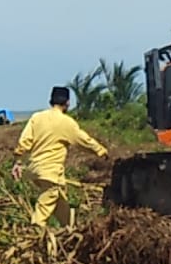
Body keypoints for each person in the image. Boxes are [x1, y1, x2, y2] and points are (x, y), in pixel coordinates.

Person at [12, 86, 107, 228]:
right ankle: (36, 228)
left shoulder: (36, 118)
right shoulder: (66, 122)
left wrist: (17, 162)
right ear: (68, 102)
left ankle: (70, 229)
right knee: (48, 199)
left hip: (34, 170)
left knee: (60, 202)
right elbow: (83, 140)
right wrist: (101, 151)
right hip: (50, 172)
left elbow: (24, 142)